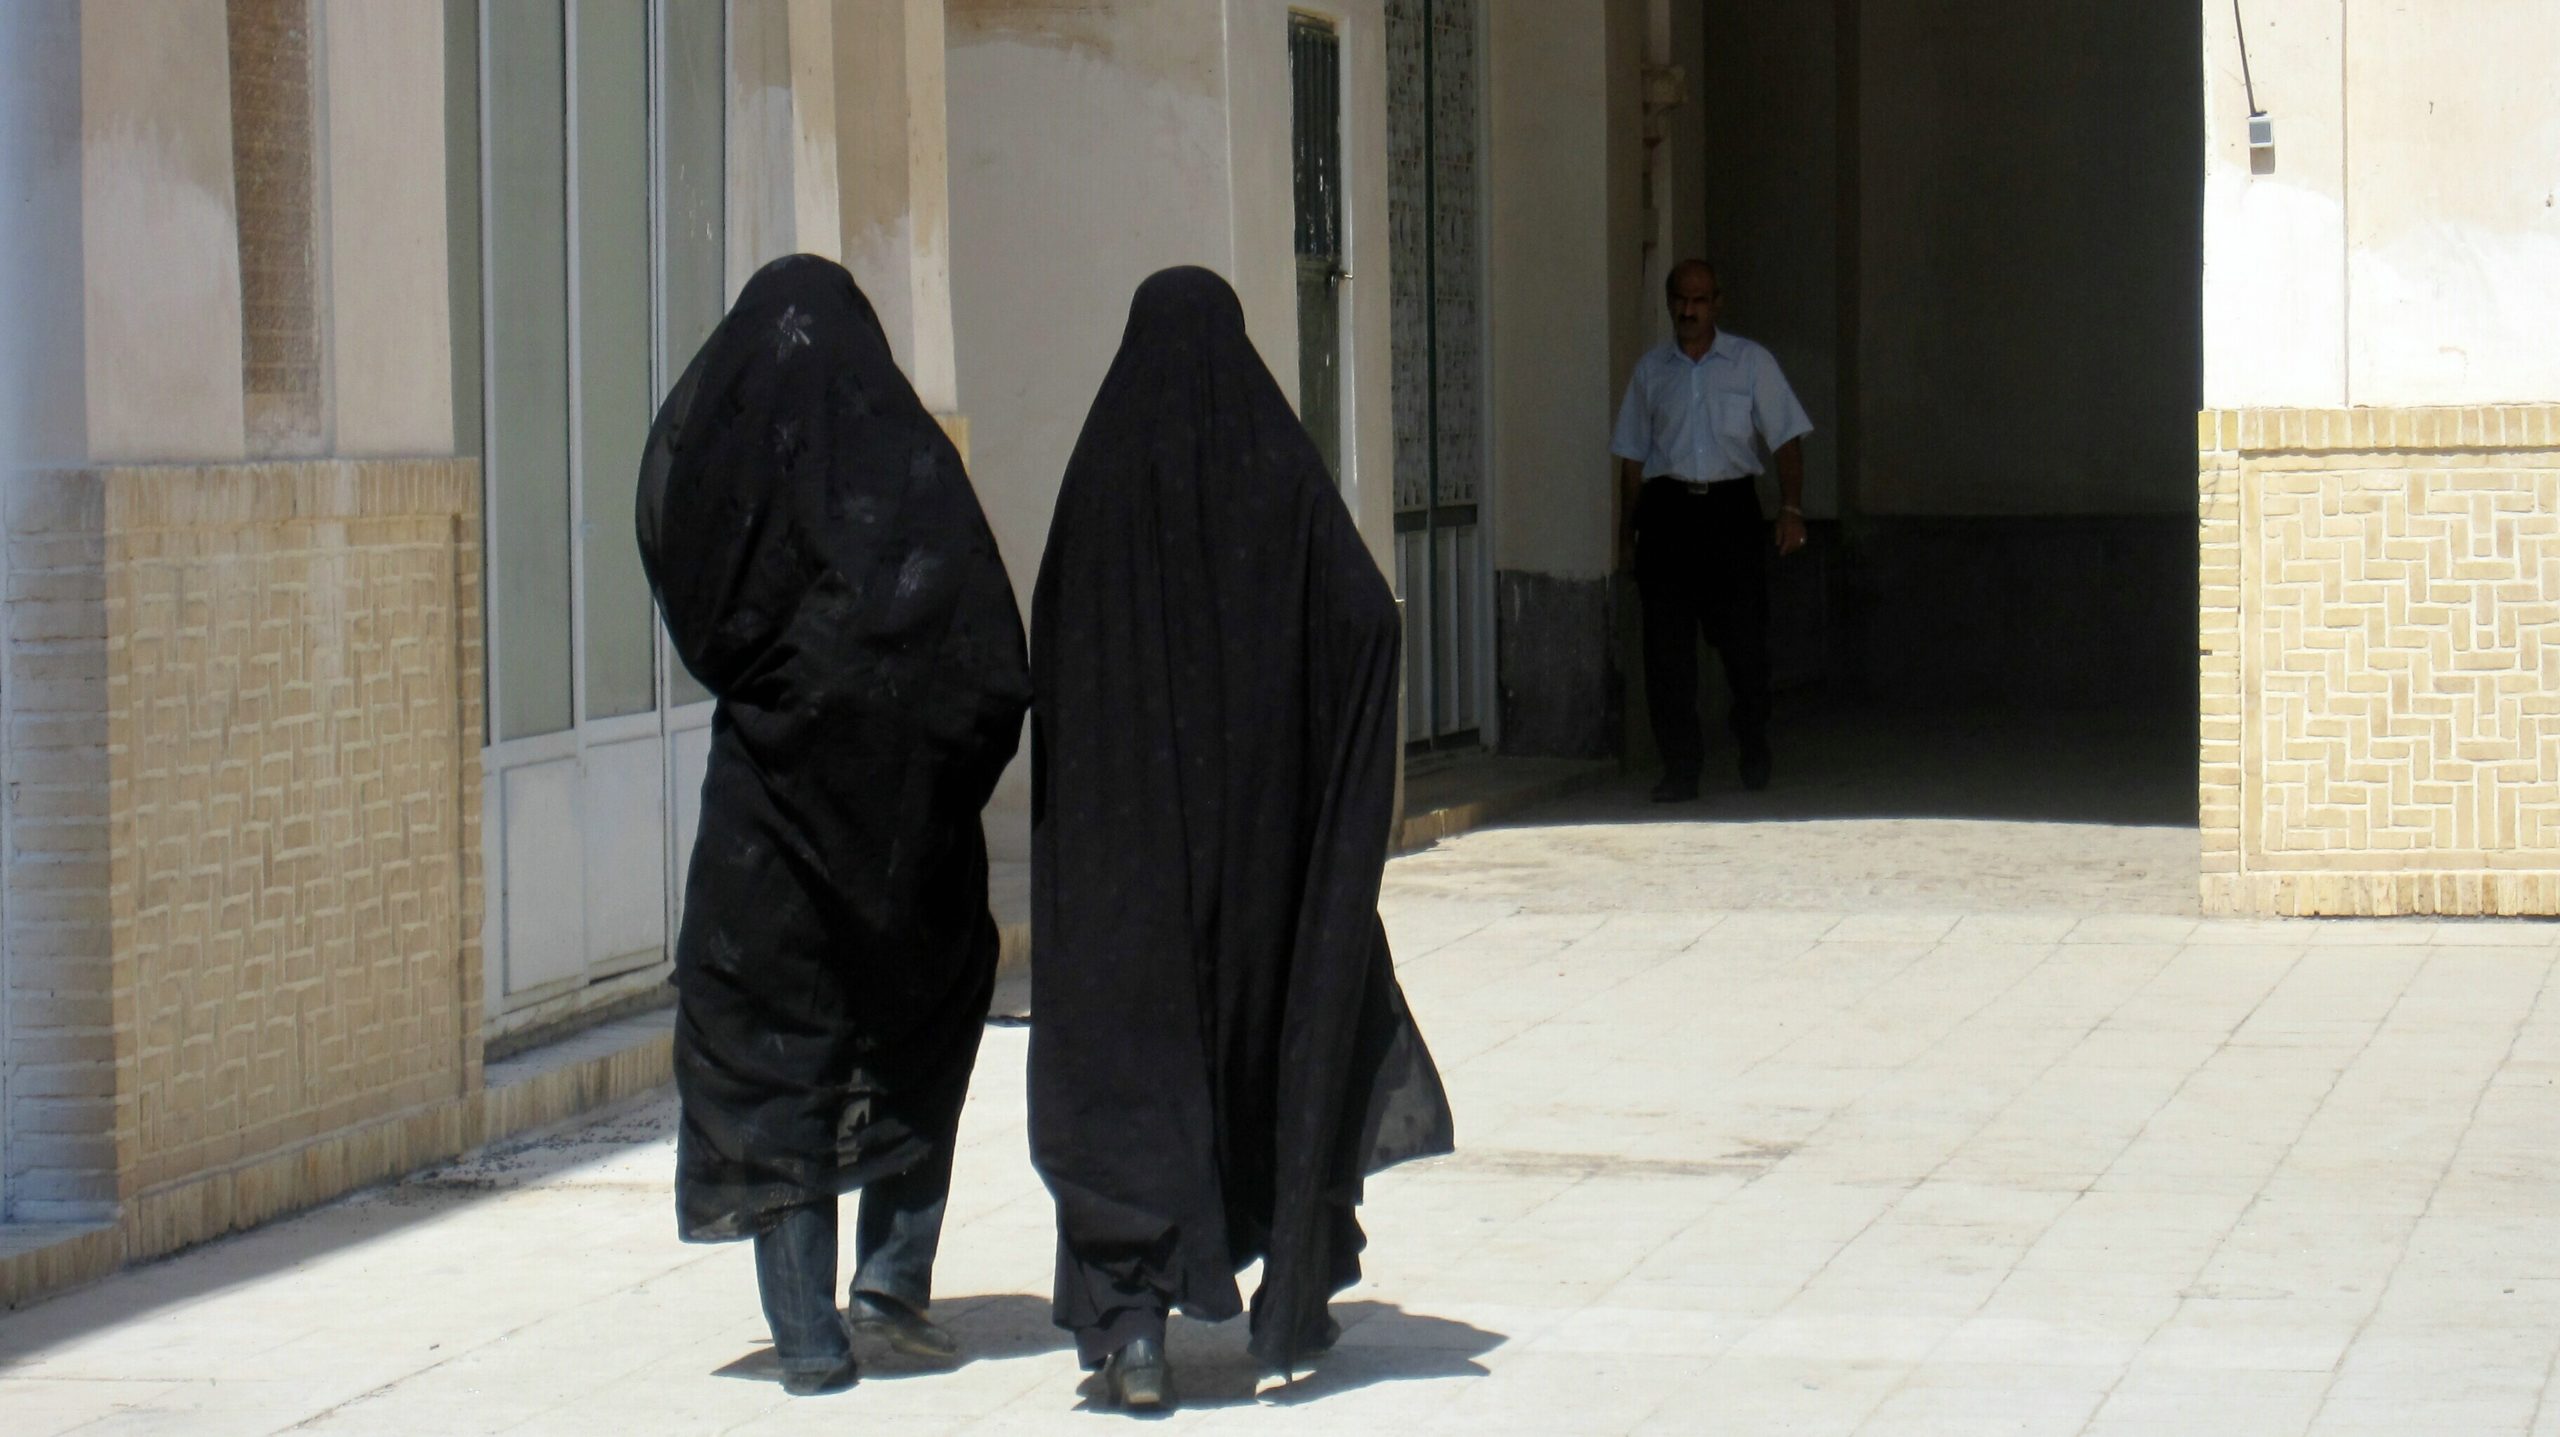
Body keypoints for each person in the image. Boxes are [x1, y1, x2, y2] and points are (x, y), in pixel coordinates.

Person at [1027, 267, 1456, 1413]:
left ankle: (1132, 1333)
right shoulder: (1276, 473)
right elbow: (1365, 616)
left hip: (1127, 873)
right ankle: (1297, 1290)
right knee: (1292, 1028)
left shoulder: (1103, 479)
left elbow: (1052, 656)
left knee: (1131, 1074)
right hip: (1260, 858)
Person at [634, 254, 1032, 1395]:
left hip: (768, 833)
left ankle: (807, 1334)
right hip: (910, 844)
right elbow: (994, 664)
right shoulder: (909, 475)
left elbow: (682, 551)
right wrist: (924, 770)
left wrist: (782, 701)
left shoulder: (735, 484)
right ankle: (892, 1287)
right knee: (922, 1019)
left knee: (774, 1050)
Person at [1612, 258, 1814, 803]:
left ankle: (1752, 740)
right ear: (1669, 302)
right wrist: (1626, 536)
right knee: (1667, 652)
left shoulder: (1750, 364)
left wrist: (1791, 509)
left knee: (1746, 645)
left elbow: (1786, 438)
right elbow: (1632, 460)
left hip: (1730, 514)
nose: (1689, 310)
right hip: (1669, 513)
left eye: (1700, 300)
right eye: (1680, 299)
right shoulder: (1651, 373)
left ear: (1717, 304)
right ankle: (1681, 767)